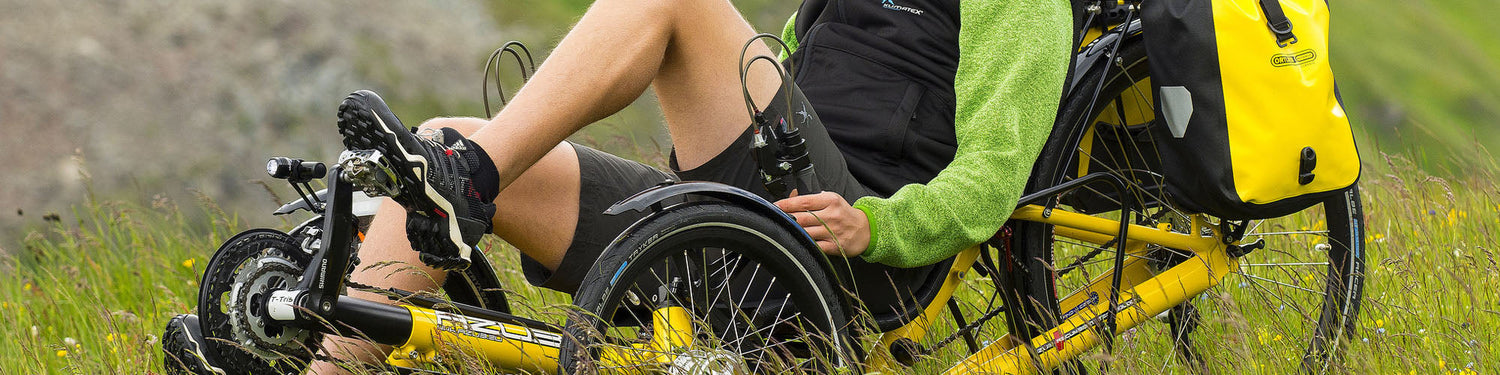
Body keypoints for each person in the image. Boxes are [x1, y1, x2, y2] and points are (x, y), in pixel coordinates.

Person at [310, 0, 1071, 373]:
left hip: (848, 252)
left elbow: (991, 178)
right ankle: (333, 362)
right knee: (447, 138)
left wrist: (879, 227)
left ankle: (467, 185)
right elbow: (786, 85)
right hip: (749, 223)